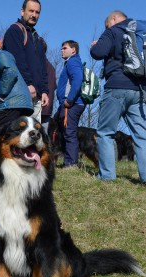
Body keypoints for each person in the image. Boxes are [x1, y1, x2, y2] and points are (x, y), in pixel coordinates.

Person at [90, 10, 146, 183]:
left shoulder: (113, 30)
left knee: (105, 133)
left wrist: (96, 44)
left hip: (116, 86)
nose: (107, 27)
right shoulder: (140, 30)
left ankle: (107, 177)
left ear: (113, 19)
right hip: (138, 89)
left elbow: (98, 53)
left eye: (107, 24)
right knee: (141, 134)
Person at [3, 0, 49, 122]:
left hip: (37, 96)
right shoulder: (15, 31)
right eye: (31, 11)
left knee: (34, 136)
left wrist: (44, 91)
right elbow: (17, 60)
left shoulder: (38, 39)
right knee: (18, 135)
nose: (34, 15)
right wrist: (28, 83)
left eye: (37, 12)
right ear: (22, 11)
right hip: (19, 93)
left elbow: (42, 67)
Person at [56, 40, 85, 167]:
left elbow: (78, 79)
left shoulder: (73, 62)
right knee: (67, 132)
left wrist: (70, 99)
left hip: (72, 104)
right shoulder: (71, 62)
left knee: (69, 133)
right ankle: (68, 161)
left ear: (73, 50)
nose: (62, 50)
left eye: (65, 48)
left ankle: (71, 164)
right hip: (71, 104)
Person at [40, 40, 56, 134]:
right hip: (47, 108)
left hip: (38, 106)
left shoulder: (39, 66)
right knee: (43, 137)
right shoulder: (51, 68)